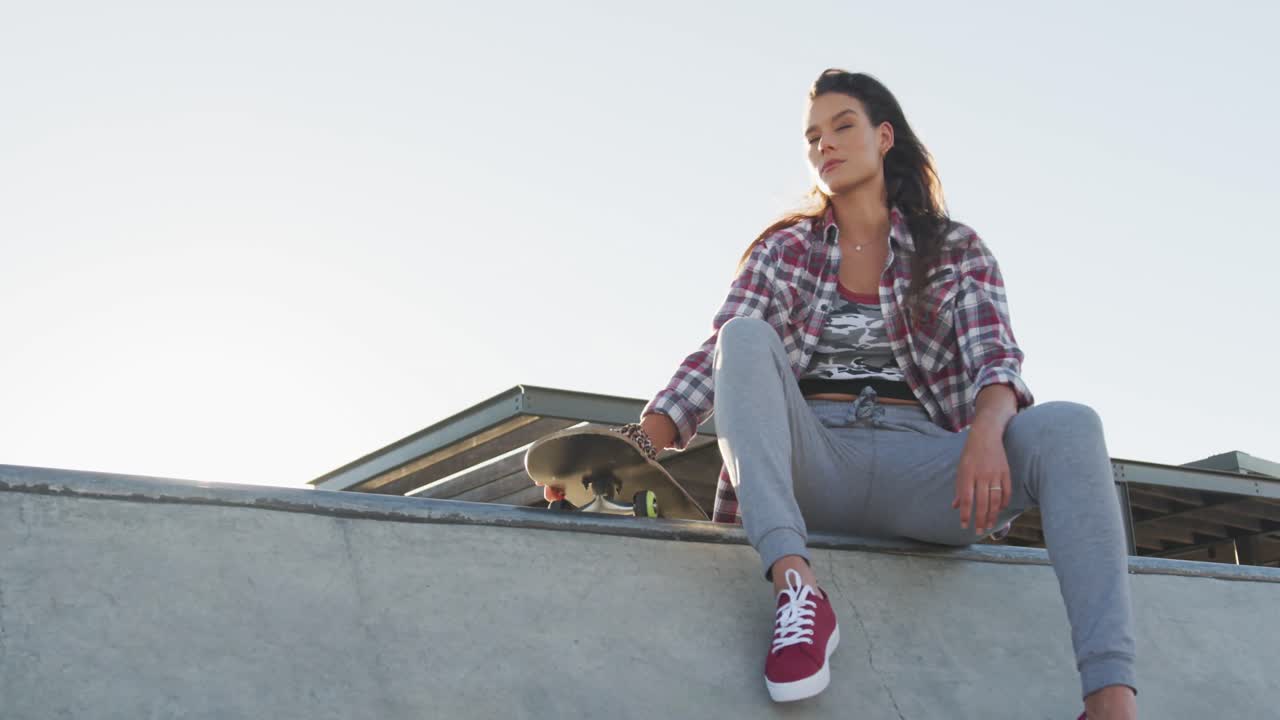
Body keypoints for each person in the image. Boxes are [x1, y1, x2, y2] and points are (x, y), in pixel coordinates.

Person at [535, 69, 1137, 719]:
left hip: (928, 471)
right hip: (816, 461)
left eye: (843, 126)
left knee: (1072, 425)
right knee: (742, 335)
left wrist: (987, 433)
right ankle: (798, 593)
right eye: (812, 136)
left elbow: (997, 360)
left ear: (884, 138)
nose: (825, 143)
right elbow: (718, 361)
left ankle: (1109, 698)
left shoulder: (954, 250)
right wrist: (632, 446)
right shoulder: (783, 250)